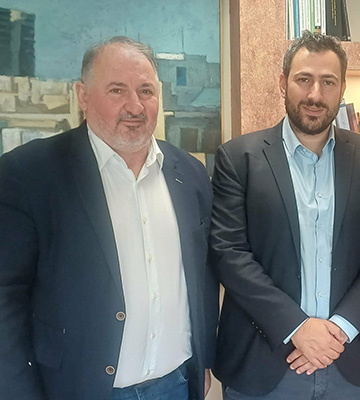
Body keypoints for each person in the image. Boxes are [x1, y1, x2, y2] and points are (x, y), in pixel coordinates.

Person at [0, 36, 218, 400]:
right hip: (76, 389)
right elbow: (6, 298)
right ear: (83, 96)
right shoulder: (29, 175)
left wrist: (203, 362)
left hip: (176, 384)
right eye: (117, 90)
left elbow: (203, 276)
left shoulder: (190, 174)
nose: (135, 106)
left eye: (146, 91)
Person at [209, 31, 360, 399]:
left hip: (351, 360)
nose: (315, 94)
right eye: (304, 79)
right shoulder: (238, 158)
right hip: (263, 363)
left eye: (328, 82)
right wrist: (296, 327)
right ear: (283, 83)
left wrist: (340, 329)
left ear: (342, 88)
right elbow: (228, 253)